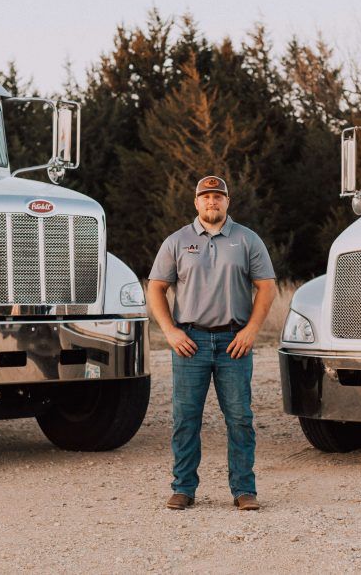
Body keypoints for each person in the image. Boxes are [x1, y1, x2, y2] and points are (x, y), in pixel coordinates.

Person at [147, 175, 277, 511]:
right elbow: (156, 288)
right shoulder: (177, 241)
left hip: (235, 342)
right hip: (190, 342)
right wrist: (170, 331)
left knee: (239, 418)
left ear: (227, 202)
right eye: (205, 197)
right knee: (185, 418)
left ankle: (244, 490)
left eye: (218, 197)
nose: (211, 202)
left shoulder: (247, 240)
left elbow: (267, 286)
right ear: (196, 202)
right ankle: (183, 488)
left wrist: (251, 331)